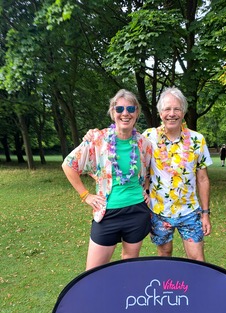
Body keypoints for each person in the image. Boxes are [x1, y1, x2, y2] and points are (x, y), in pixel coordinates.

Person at [62, 89, 152, 270]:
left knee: (129, 265)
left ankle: (122, 297)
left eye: (130, 108)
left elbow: (147, 171)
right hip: (107, 213)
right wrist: (85, 195)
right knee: (93, 272)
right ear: (112, 113)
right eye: (119, 109)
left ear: (137, 112)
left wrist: (147, 190)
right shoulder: (97, 139)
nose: (125, 113)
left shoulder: (144, 143)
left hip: (136, 211)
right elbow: (68, 165)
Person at [142, 87, 213, 261]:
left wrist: (205, 214)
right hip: (159, 211)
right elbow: (134, 161)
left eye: (177, 109)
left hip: (190, 211)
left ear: (183, 112)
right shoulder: (148, 137)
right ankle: (168, 288)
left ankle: (197, 288)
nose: (171, 114)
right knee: (164, 255)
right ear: (160, 113)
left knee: (197, 259)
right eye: (167, 109)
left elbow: (203, 179)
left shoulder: (197, 140)